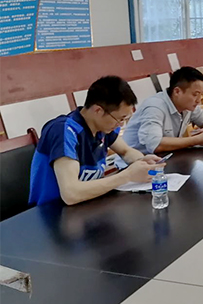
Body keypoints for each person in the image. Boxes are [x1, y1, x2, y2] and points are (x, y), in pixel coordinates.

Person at [28, 76, 161, 206]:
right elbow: (71, 194)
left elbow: (126, 151)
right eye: (120, 119)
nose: (120, 124)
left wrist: (142, 162)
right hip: (54, 211)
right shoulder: (64, 131)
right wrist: (127, 175)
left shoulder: (103, 127)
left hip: (88, 204)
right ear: (98, 110)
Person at [122, 67, 203, 155]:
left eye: (201, 94)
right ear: (177, 91)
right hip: (134, 162)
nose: (199, 100)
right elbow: (155, 145)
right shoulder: (155, 107)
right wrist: (196, 140)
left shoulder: (188, 105)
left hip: (163, 158)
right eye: (195, 94)